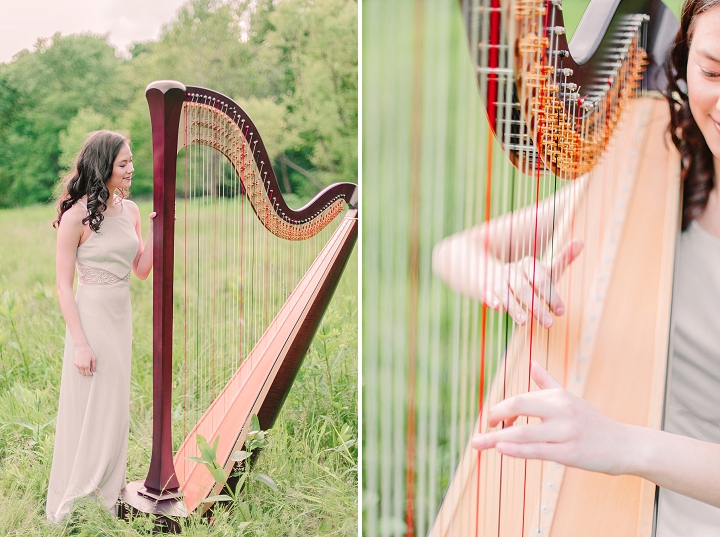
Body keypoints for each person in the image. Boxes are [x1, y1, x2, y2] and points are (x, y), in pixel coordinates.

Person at [434, 0, 720, 533]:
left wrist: (625, 443)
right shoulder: (669, 174)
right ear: (682, 64)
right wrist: (506, 282)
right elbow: (454, 252)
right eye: (713, 71)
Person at [46, 130, 155, 523]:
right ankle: (80, 495)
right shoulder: (75, 216)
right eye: (123, 164)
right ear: (103, 166)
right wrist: (79, 343)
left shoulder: (132, 212)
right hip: (90, 319)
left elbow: (141, 271)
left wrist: (159, 227)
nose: (130, 169)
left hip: (120, 316)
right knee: (91, 406)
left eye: (131, 163)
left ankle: (109, 493)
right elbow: (62, 285)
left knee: (115, 408)